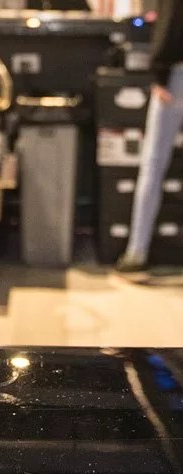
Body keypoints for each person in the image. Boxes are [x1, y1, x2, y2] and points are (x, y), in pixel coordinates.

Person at [116, 0, 183, 273]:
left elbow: (170, 24)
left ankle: (136, 251)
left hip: (177, 75)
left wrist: (159, 71)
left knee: (154, 163)